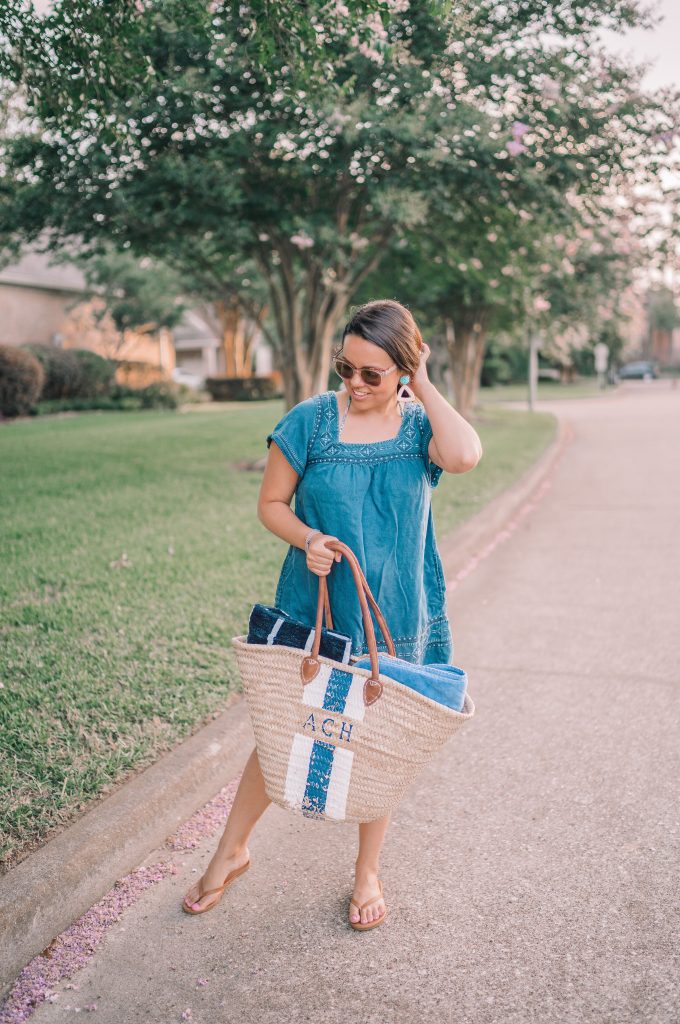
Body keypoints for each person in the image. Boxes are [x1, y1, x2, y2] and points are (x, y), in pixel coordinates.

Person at [182, 299, 483, 929]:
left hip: (397, 612)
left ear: (403, 369)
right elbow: (271, 503)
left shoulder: (419, 425)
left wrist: (424, 385)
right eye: (346, 368)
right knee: (285, 727)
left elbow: (465, 457)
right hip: (316, 607)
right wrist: (308, 539)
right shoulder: (312, 422)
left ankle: (367, 871)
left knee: (382, 738)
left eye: (374, 374)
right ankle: (232, 850)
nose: (355, 384)